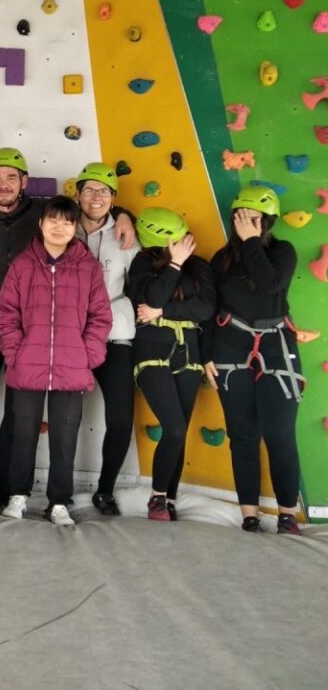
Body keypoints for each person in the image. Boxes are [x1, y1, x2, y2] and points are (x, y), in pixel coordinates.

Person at [0, 147, 134, 506]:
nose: (3, 184)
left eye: (11, 177)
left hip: (32, 338)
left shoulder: (39, 215)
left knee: (18, 417)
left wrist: (124, 215)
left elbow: (86, 207)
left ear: (24, 182)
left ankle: (1, 492)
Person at [0, 196, 112, 525]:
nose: (59, 227)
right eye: (53, 220)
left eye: (67, 222)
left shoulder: (88, 268)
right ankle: (18, 496)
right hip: (27, 364)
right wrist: (15, 353)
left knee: (65, 437)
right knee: (23, 433)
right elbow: (7, 313)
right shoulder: (22, 264)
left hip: (72, 367)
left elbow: (100, 316)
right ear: (41, 223)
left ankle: (59, 502)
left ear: (75, 228)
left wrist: (87, 356)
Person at [202, 186, 304, 535]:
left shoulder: (283, 252)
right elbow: (210, 309)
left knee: (279, 433)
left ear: (268, 222)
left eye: (254, 218)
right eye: (240, 218)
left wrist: (250, 242)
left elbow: (271, 284)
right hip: (230, 346)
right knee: (242, 434)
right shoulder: (222, 259)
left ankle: (287, 514)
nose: (246, 222)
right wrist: (206, 355)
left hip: (276, 345)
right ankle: (250, 514)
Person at [128, 207, 215, 521]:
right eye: (179, 239)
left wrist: (164, 312)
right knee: (174, 428)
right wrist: (174, 264)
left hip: (188, 355)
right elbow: (150, 299)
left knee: (180, 431)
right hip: (152, 352)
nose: (186, 241)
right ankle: (158, 498)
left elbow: (206, 308)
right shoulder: (142, 263)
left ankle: (170, 497)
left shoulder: (200, 266)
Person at [75, 163, 140, 516]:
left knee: (121, 416)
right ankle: (59, 489)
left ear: (114, 199)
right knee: (64, 414)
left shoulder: (126, 234)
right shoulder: (62, 225)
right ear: (77, 194)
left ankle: (105, 490)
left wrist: (125, 216)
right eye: (89, 190)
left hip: (116, 335)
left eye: (104, 192)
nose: (95, 197)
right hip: (71, 335)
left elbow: (142, 281)